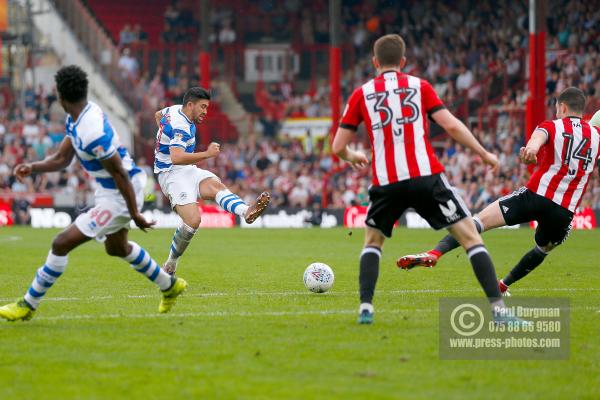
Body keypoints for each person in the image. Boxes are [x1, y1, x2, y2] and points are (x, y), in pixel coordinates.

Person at [332, 34, 514, 325]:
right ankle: (499, 311)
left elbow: (338, 147)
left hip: (387, 181)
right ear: (403, 62)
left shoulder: (361, 94)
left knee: (373, 242)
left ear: (375, 62)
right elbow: (451, 126)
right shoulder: (420, 86)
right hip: (426, 176)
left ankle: (366, 308)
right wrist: (484, 153)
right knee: (470, 238)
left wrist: (353, 156)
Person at [0, 66, 187, 322]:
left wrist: (134, 213)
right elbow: (63, 158)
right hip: (111, 191)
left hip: (121, 195)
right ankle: (169, 285)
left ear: (61, 98)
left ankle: (28, 304)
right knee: (117, 248)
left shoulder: (92, 132)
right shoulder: (78, 117)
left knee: (60, 243)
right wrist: (33, 167)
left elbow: (119, 173)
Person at [399, 88, 600, 295]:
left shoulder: (552, 126)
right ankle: (502, 286)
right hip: (564, 211)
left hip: (536, 196)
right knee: (542, 250)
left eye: (557, 108)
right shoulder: (596, 136)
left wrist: (531, 150)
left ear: (563, 107)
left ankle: (435, 253)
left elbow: (538, 139)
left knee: (478, 221)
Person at [154, 87, 270, 275]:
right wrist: (207, 154)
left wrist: (162, 136)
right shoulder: (180, 125)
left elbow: (158, 115)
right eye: (202, 107)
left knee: (215, 186)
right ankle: (170, 263)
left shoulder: (174, 109)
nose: (205, 112)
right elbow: (175, 157)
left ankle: (246, 211)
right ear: (190, 105)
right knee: (193, 221)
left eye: (207, 107)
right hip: (171, 174)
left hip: (186, 170)